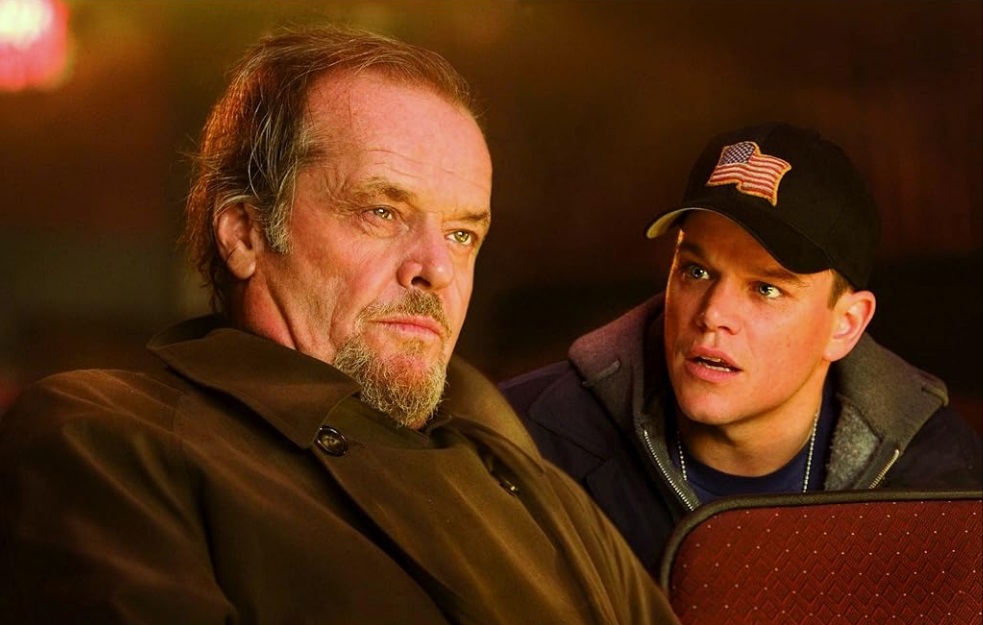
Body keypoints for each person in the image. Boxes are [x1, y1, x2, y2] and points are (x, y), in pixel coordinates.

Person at [0, 25, 680, 625]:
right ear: (244, 232)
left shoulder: (544, 493)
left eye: (462, 234)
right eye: (382, 212)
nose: (435, 269)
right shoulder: (108, 439)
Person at [500, 121, 983, 576]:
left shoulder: (940, 477)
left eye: (766, 289)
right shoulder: (525, 440)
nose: (713, 314)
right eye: (696, 271)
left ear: (846, 325)